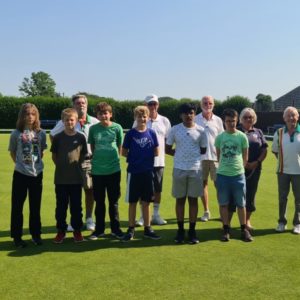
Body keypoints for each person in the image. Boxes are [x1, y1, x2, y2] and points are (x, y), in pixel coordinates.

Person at [50, 94, 98, 231]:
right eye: (77, 103)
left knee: (89, 190)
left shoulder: (94, 121)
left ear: (87, 105)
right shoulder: (67, 120)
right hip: (72, 165)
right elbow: (52, 135)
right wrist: (62, 155)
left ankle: (89, 219)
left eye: (83, 103)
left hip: (88, 161)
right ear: (73, 105)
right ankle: (73, 221)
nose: (81, 105)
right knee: (72, 192)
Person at [166, 103, 207, 244]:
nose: (188, 115)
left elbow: (203, 150)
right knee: (180, 200)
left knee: (193, 200)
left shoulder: (201, 131)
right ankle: (180, 230)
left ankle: (192, 230)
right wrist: (180, 156)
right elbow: (167, 148)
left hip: (195, 169)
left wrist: (190, 157)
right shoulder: (175, 129)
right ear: (180, 115)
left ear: (194, 114)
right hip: (179, 169)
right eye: (185, 113)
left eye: (191, 112)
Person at [9, 103, 47, 247]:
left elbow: (41, 152)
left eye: (32, 114)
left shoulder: (41, 133)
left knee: (35, 207)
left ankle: (36, 235)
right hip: (20, 175)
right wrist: (22, 166)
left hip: (37, 175)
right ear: (22, 116)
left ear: (36, 116)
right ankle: (17, 237)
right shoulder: (16, 134)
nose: (30, 117)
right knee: (17, 207)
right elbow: (13, 153)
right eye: (27, 114)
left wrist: (34, 166)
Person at [121, 105, 161, 241]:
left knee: (146, 202)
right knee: (132, 201)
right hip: (133, 172)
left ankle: (147, 228)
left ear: (148, 117)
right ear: (135, 118)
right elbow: (124, 152)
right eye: (139, 116)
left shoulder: (152, 133)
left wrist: (145, 161)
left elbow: (156, 150)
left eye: (144, 116)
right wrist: (136, 160)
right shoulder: (131, 134)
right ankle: (131, 229)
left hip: (148, 172)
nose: (142, 118)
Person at [215, 109, 253, 242]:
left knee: (241, 204)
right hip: (223, 175)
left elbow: (245, 156)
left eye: (233, 121)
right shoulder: (220, 138)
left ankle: (244, 230)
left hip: (238, 176)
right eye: (228, 121)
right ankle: (226, 229)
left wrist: (239, 169)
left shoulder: (242, 137)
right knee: (224, 204)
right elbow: (218, 155)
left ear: (237, 121)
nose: (231, 124)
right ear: (224, 122)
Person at [87, 102, 124, 240]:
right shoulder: (93, 129)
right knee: (99, 201)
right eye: (100, 113)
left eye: (106, 113)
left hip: (114, 170)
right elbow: (92, 146)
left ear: (110, 114)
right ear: (97, 115)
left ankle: (115, 229)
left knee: (113, 201)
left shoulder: (117, 127)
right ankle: (99, 230)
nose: (103, 115)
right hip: (97, 171)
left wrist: (114, 160)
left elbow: (120, 146)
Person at [51, 108, 88, 243]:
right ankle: (61, 231)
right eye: (66, 120)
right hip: (60, 179)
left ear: (76, 121)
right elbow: (54, 156)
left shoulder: (80, 137)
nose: (69, 122)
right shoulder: (58, 137)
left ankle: (77, 231)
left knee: (76, 207)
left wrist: (76, 168)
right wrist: (62, 167)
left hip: (76, 179)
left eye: (72, 120)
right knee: (61, 207)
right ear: (62, 121)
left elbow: (83, 155)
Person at [134, 94, 171, 226]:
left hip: (159, 162)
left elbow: (167, 141)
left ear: (158, 105)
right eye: (150, 104)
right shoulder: (139, 120)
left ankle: (155, 215)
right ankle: (143, 216)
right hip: (143, 163)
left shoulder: (165, 121)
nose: (152, 106)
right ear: (145, 105)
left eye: (154, 104)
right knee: (142, 190)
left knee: (158, 190)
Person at [228, 108, 267, 230]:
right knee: (233, 195)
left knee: (250, 195)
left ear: (254, 118)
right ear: (241, 119)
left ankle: (246, 221)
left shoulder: (258, 132)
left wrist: (257, 162)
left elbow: (264, 149)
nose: (248, 119)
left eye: (250, 117)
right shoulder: (235, 131)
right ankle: (227, 223)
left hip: (254, 169)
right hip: (236, 169)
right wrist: (243, 163)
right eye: (245, 117)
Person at [272, 106, 300, 234]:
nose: (291, 118)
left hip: (298, 172)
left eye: (293, 115)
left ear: (297, 117)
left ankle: (297, 224)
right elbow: (275, 151)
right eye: (288, 115)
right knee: (282, 198)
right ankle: (281, 222)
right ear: (284, 118)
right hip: (282, 171)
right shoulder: (279, 133)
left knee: (298, 199)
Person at [195, 95, 224, 221]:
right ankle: (206, 211)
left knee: (219, 185)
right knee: (203, 185)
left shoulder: (218, 120)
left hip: (215, 158)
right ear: (201, 105)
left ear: (213, 105)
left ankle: (222, 212)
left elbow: (222, 139)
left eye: (210, 103)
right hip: (200, 158)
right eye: (205, 103)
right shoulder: (195, 119)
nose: (208, 105)